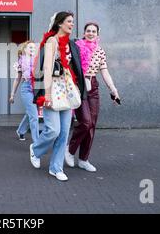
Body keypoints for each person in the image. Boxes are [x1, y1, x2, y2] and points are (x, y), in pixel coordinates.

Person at [29, 12, 86, 181]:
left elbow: (75, 68)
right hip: (52, 89)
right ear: (60, 23)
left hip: (66, 90)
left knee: (63, 133)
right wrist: (46, 93)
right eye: (69, 21)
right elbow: (46, 69)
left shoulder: (71, 44)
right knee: (53, 130)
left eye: (73, 22)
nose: (72, 24)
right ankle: (36, 149)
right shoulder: (51, 41)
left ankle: (56, 168)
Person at [65, 22, 120, 172]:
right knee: (85, 122)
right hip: (79, 85)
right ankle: (70, 149)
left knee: (92, 124)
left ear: (97, 34)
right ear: (84, 32)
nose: (90, 33)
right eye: (88, 31)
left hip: (93, 86)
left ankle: (83, 159)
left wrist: (113, 88)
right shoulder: (76, 47)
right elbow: (67, 65)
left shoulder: (100, 51)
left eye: (93, 31)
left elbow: (105, 72)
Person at [9, 40, 39, 142]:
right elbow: (17, 79)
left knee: (30, 113)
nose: (32, 49)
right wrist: (12, 95)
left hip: (36, 88)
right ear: (25, 49)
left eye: (34, 48)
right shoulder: (20, 62)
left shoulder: (37, 61)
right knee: (34, 116)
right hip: (26, 88)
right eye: (30, 47)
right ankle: (37, 142)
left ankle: (21, 131)